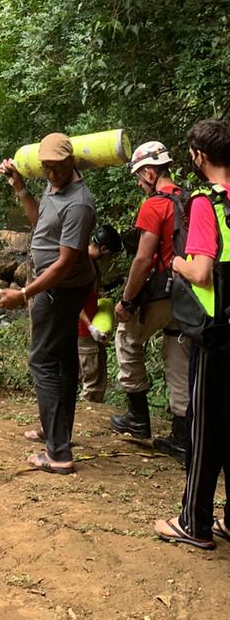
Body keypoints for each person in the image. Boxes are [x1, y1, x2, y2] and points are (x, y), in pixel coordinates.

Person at [0, 133, 96, 474]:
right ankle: (55, 431)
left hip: (60, 290)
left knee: (42, 361)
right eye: (46, 168)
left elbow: (65, 261)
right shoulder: (54, 188)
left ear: (72, 163)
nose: (51, 174)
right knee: (64, 359)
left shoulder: (79, 203)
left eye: (57, 168)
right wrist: (20, 187)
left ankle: (58, 453)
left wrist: (25, 294)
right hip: (54, 288)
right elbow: (42, 226)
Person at [155, 119, 230, 550]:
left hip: (215, 334)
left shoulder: (207, 203)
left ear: (200, 157)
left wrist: (179, 263)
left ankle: (194, 523)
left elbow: (201, 269)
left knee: (205, 428)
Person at [110, 140, 190, 463]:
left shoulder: (154, 205)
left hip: (159, 291)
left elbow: (143, 260)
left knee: (126, 337)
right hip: (188, 294)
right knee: (178, 354)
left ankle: (137, 417)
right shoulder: (188, 198)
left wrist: (127, 302)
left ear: (149, 171)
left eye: (139, 177)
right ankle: (183, 436)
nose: (140, 184)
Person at [78, 224, 122, 403]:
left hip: (86, 332)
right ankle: (85, 423)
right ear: (103, 249)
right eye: (110, 254)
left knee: (91, 379)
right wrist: (91, 327)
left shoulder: (88, 262)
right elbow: (73, 301)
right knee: (92, 388)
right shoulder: (83, 266)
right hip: (84, 334)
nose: (109, 259)